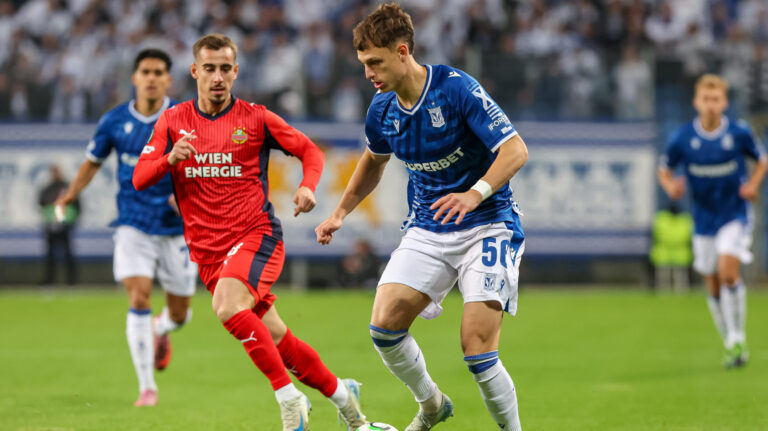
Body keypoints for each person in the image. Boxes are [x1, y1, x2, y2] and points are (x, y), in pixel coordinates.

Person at [133, 34, 367, 431]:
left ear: (236, 72)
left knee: (226, 306)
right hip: (209, 254)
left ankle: (290, 399)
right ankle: (350, 407)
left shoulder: (255, 118)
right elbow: (140, 177)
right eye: (209, 68)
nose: (218, 77)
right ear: (194, 72)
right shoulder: (173, 122)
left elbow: (310, 150)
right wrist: (170, 159)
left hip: (257, 236)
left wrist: (308, 185)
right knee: (279, 340)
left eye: (226, 68)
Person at [315, 4, 529, 430]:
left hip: (487, 223)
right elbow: (373, 163)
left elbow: (515, 150)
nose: (368, 74)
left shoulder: (455, 89)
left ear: (402, 51)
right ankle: (431, 404)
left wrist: (474, 193)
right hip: (428, 229)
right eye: (363, 64)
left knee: (477, 349)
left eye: (374, 62)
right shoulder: (382, 109)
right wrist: (339, 212)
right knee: (384, 327)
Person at [55, 49, 197, 407]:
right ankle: (147, 388)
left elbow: (203, 165)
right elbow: (92, 162)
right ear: (134, 78)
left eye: (158, 72)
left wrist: (186, 195)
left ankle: (163, 329)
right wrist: (70, 195)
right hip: (132, 222)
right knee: (139, 297)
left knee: (180, 313)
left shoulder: (185, 117)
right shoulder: (114, 121)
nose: (151, 78)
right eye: (145, 71)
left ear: (169, 79)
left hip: (176, 227)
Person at [658, 74, 767, 368]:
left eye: (716, 99)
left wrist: (753, 185)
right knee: (713, 284)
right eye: (706, 99)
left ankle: (737, 338)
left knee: (727, 271)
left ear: (724, 102)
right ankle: (730, 343)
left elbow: (762, 159)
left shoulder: (739, 133)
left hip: (734, 213)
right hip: (704, 219)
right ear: (696, 102)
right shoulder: (683, 138)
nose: (710, 105)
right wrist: (671, 188)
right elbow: (664, 169)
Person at [39, 164, 79, 285]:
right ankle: (49, 282)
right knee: (50, 255)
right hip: (50, 224)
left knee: (68, 254)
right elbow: (41, 202)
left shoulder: (67, 187)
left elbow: (77, 204)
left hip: (65, 224)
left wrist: (72, 220)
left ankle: (71, 282)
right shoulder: (47, 188)